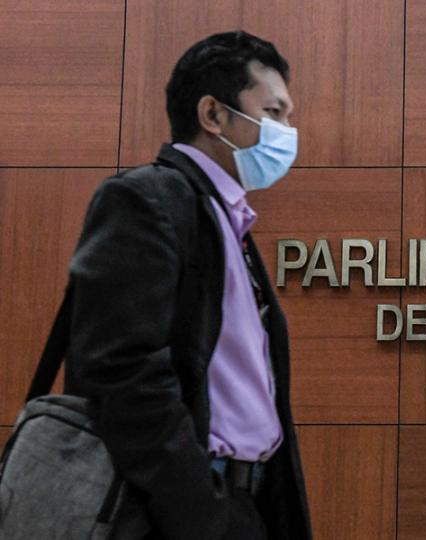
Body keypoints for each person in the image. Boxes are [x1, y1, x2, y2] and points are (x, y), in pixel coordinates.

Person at [63, 31, 312, 539]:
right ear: (213, 115)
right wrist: (196, 508)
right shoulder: (148, 200)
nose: (288, 132)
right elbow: (120, 370)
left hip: (243, 501)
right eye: (273, 112)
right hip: (181, 514)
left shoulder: (224, 218)